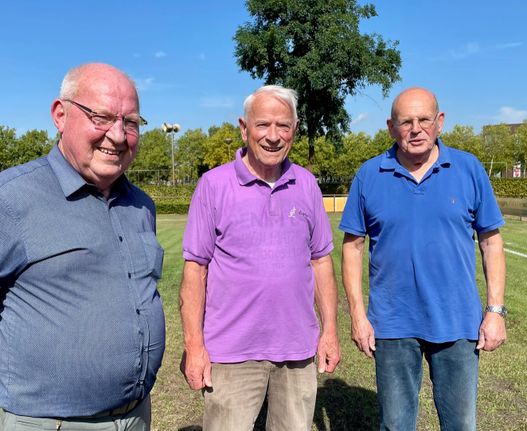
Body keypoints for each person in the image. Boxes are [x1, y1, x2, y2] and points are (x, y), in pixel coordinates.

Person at [0, 63, 165, 430]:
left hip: (135, 416)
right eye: (102, 117)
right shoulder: (7, 201)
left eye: (131, 123)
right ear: (61, 115)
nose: (118, 136)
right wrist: (32, 384)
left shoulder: (140, 205)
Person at [339, 87, 507, 431]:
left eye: (424, 120)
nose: (415, 129)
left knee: (460, 425)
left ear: (439, 122)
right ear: (391, 127)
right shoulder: (369, 175)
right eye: (406, 122)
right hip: (392, 324)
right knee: (395, 425)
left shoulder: (468, 169)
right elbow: (352, 247)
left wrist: (495, 312)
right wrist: (358, 314)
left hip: (457, 323)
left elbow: (491, 242)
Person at [179, 85, 341, 431]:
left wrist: (329, 332)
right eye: (263, 125)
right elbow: (196, 269)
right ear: (244, 128)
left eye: (283, 126)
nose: (273, 136)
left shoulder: (307, 184)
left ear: (294, 131)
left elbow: (321, 261)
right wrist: (194, 346)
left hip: (297, 350)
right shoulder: (213, 185)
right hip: (231, 352)